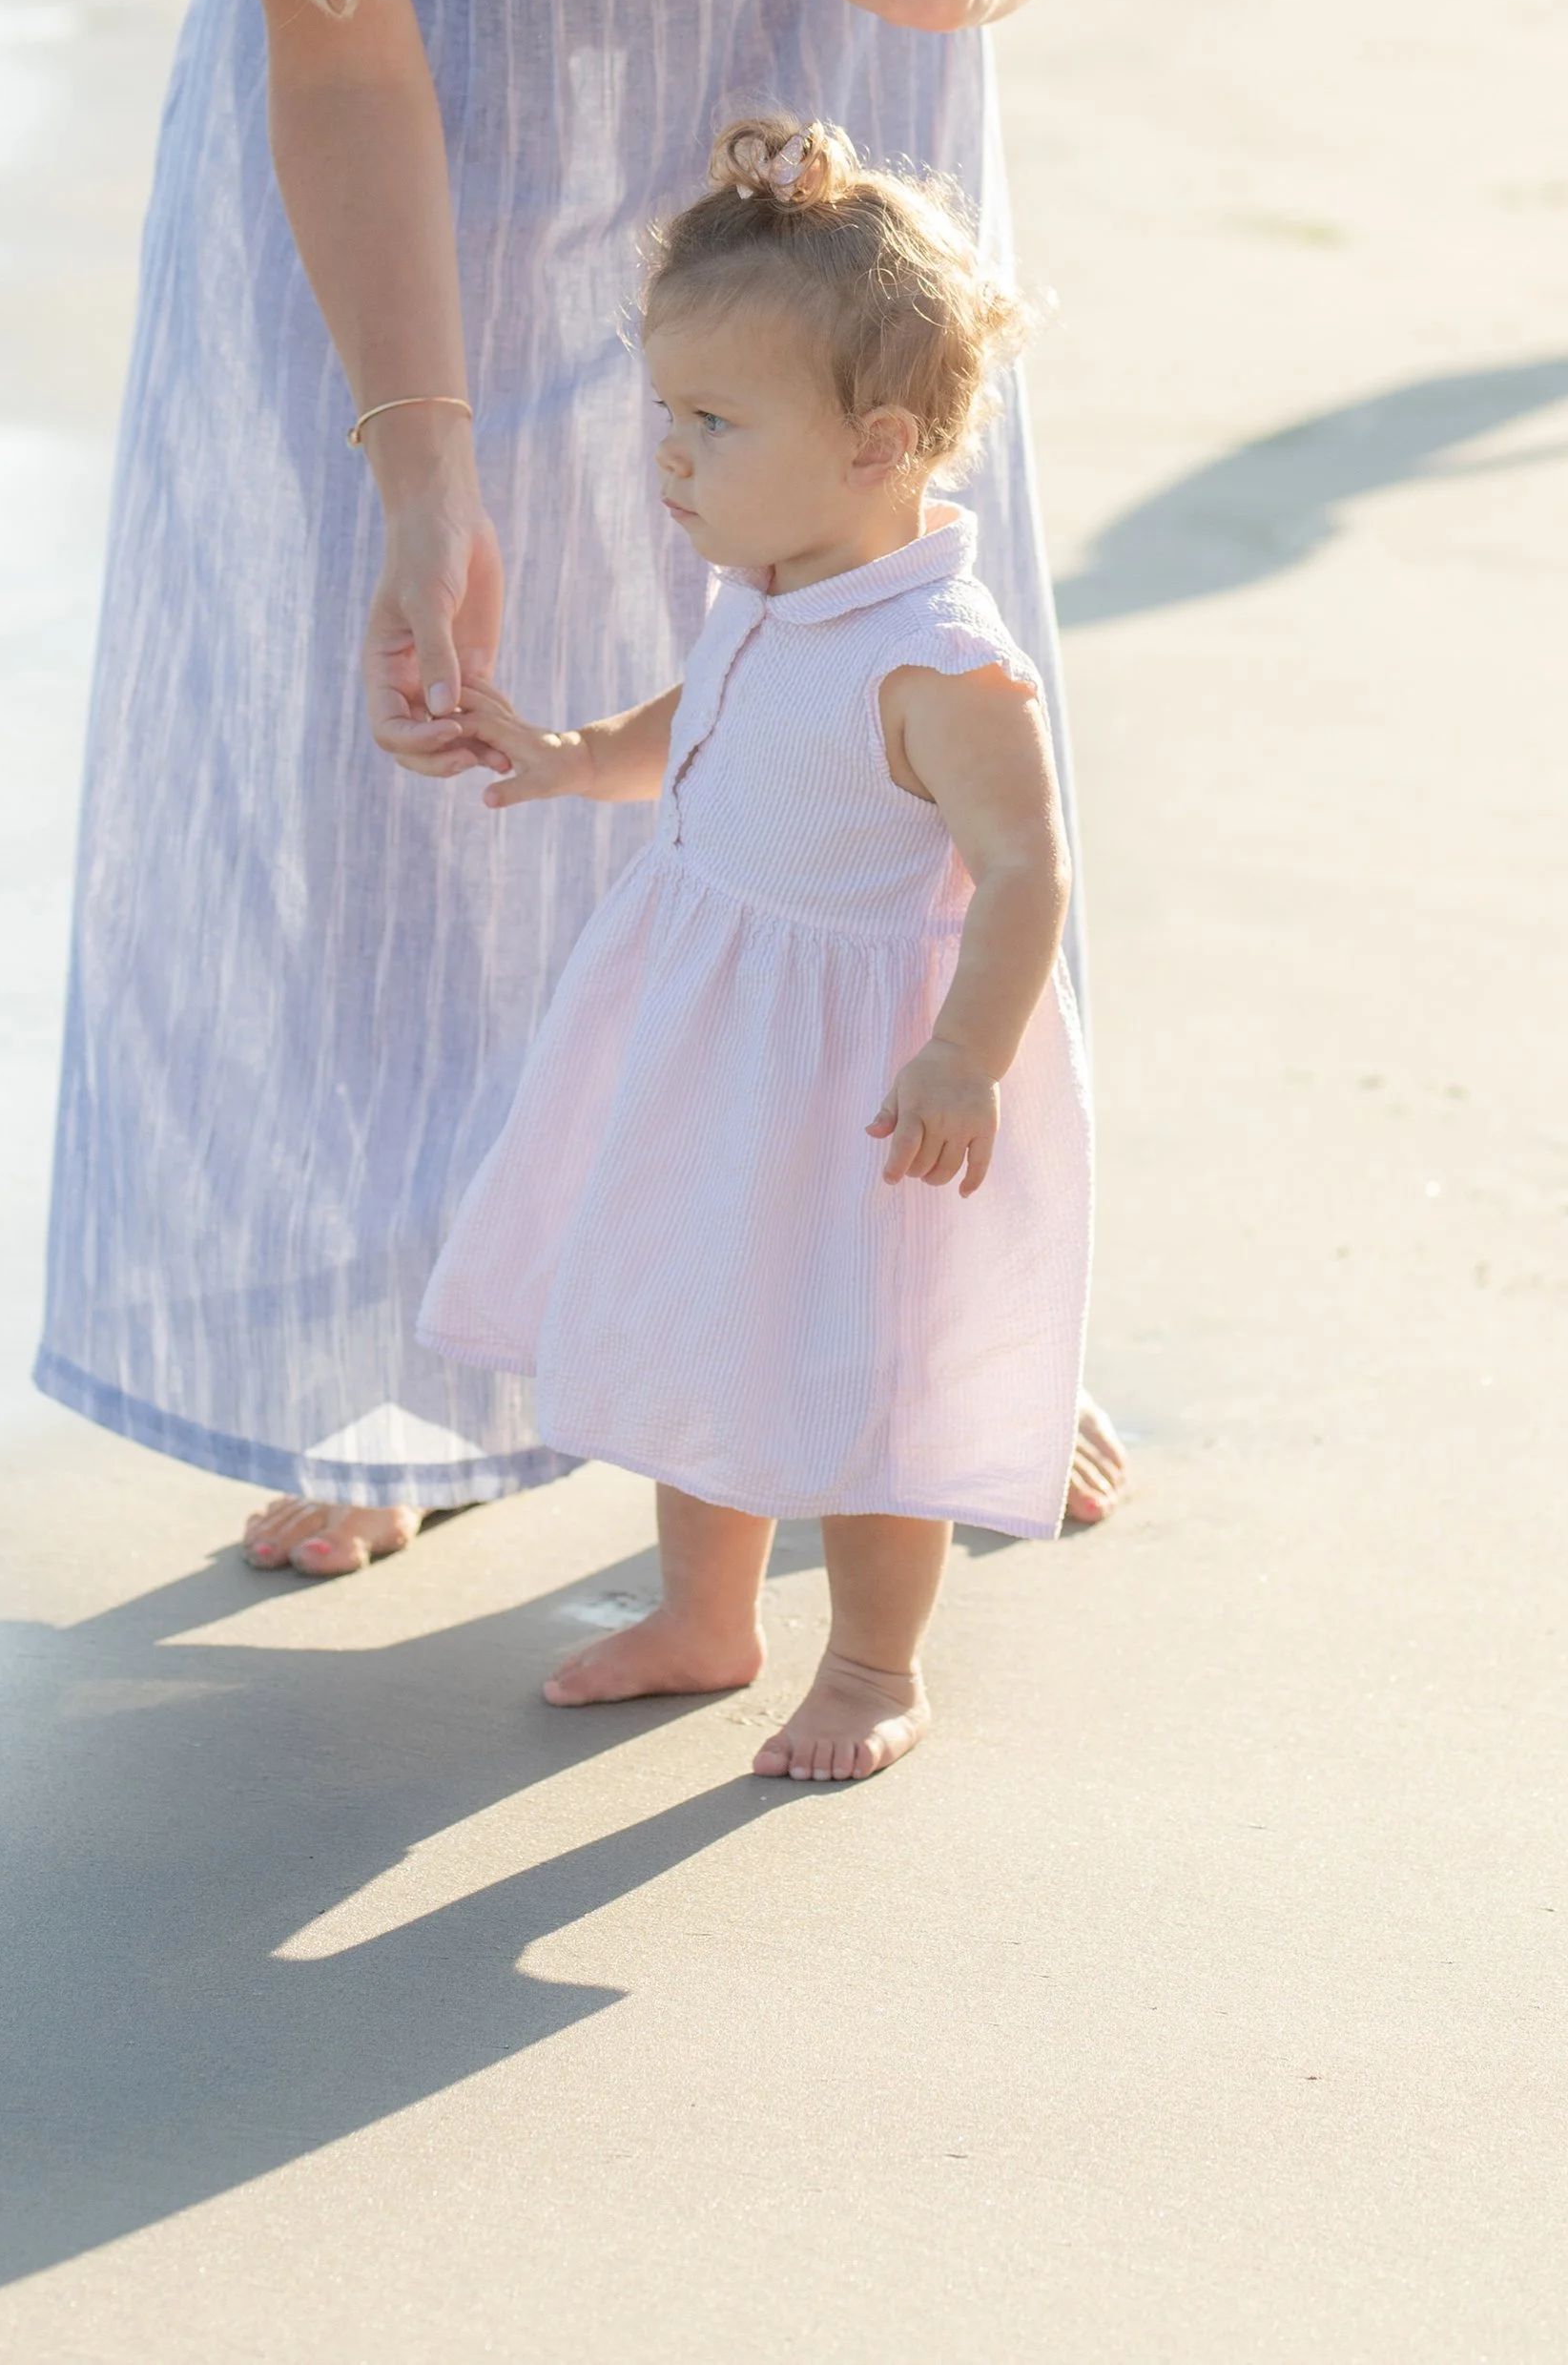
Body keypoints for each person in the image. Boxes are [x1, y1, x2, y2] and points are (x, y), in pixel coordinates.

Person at [37, 0, 1125, 1573]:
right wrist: (421, 465)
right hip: (416, 72)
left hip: (792, 39)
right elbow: (335, 50)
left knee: (847, 701)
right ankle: (397, 1359)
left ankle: (932, 1327)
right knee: (416, 724)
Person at [418, 116, 1087, 1779]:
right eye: (668, 411)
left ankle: (871, 1666)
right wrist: (582, 755)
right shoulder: (773, 585)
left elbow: (1027, 871)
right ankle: (703, 1617)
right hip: (717, 1039)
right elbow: (708, 717)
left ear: (877, 444)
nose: (671, 454)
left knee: (861, 1369)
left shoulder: (941, 662)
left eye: (714, 421)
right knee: (702, 1316)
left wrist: (965, 1056)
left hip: (866, 1084)